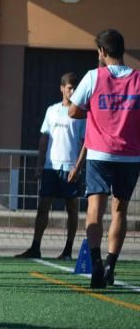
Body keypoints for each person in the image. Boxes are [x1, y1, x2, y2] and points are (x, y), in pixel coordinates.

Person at [68, 29, 140, 289]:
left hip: (99, 153)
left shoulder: (93, 76)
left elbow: (74, 110)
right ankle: (111, 263)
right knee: (120, 211)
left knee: (95, 211)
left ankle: (96, 262)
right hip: (130, 155)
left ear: (102, 52)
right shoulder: (138, 79)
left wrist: (96, 112)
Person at [16, 72, 86, 260]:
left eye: (74, 87)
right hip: (50, 167)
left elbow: (84, 142)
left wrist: (77, 168)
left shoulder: (81, 113)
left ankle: (68, 250)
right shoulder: (52, 110)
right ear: (62, 88)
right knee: (43, 206)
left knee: (72, 208)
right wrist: (39, 164)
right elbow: (44, 138)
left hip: (70, 168)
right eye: (69, 87)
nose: (72, 91)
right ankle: (35, 246)